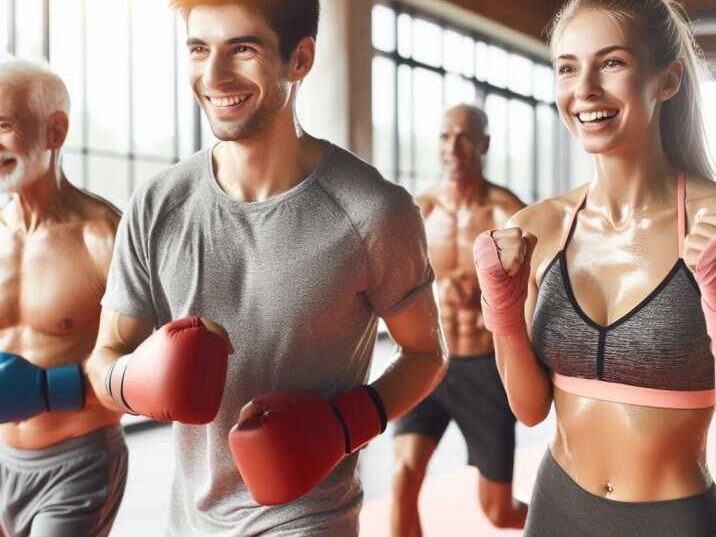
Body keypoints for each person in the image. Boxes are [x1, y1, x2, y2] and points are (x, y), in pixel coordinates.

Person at [84, 1, 447, 536]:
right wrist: (137, 380)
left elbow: (425, 353)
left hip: (310, 517)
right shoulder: (158, 204)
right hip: (189, 519)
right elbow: (103, 359)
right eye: (199, 49)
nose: (214, 75)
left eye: (243, 49)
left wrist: (343, 426)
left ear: (299, 60)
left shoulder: (373, 211)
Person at [473, 1, 716, 535]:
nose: (583, 88)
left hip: (671, 518)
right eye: (566, 67)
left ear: (667, 80)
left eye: (611, 63)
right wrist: (504, 314)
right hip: (558, 504)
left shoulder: (712, 223)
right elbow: (531, 409)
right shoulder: (539, 227)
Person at [0, 60, 126, 537]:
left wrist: (43, 391)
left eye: (3, 127)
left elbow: (158, 377)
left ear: (55, 131)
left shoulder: (104, 238)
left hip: (78, 462)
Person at [390, 104, 526, 535]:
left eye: (465, 137)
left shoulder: (507, 212)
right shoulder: (419, 211)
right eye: (446, 136)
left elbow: (542, 294)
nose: (454, 147)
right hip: (429, 362)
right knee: (402, 476)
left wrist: (494, 295)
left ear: (483, 143)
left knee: (498, 513)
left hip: (485, 368)